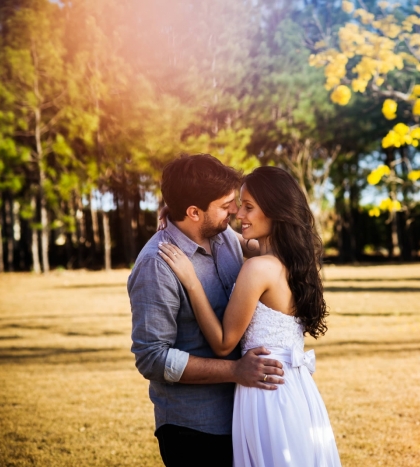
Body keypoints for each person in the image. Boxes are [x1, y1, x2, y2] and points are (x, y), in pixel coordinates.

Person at [158, 166, 341, 467]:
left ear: (275, 211)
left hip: (266, 395)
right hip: (296, 390)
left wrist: (191, 281)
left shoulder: (258, 269)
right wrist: (181, 211)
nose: (238, 215)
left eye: (248, 207)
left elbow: (222, 343)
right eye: (238, 205)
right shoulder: (292, 261)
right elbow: (225, 232)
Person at [128, 154, 285, 467]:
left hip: (246, 415)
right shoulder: (156, 266)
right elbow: (152, 358)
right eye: (226, 203)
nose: (235, 210)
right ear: (194, 212)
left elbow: (274, 244)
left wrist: (172, 210)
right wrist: (235, 370)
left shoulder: (225, 235)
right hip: (195, 429)